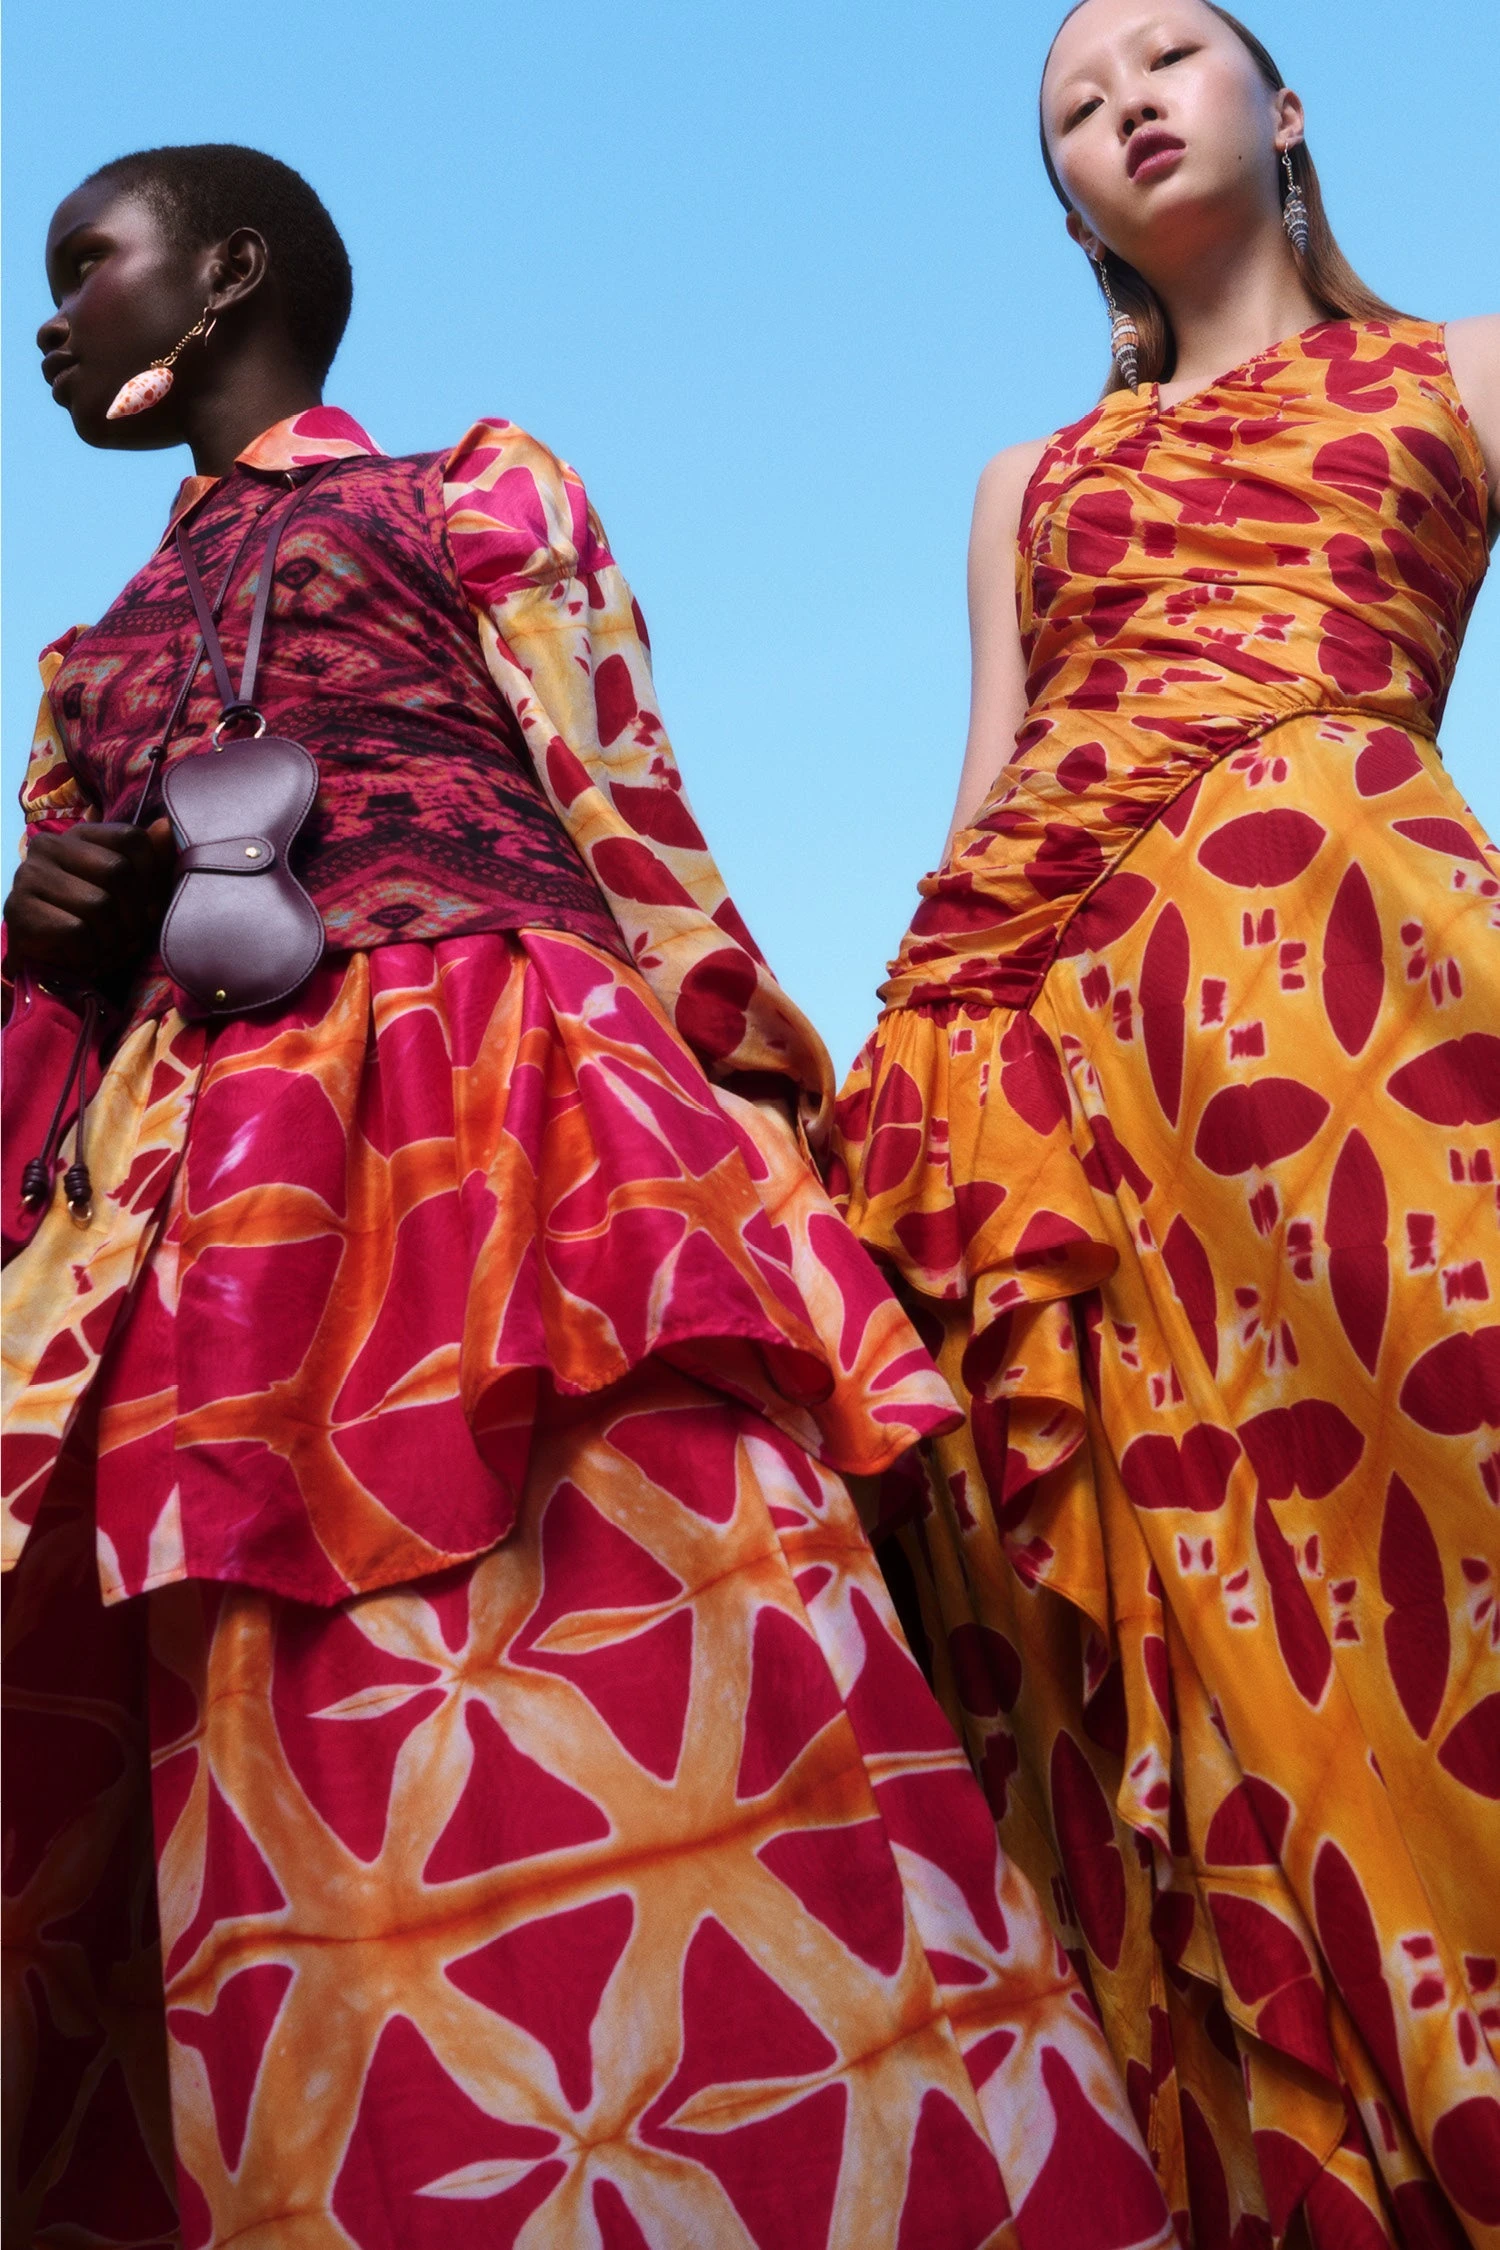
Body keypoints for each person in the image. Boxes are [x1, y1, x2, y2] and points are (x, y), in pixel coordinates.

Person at [0, 143, 1178, 2250]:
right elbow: (57, 1036)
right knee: (286, 1737)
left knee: (672, 1631)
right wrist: (50, 926)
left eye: (88, 262)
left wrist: (757, 1112)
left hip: (522, 1119)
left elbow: (626, 808)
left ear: (229, 272)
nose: (50, 315)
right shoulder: (88, 661)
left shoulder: (470, 494)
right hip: (211, 1204)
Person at [830, 3, 1500, 2242]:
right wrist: (899, 1117)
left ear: (1282, 109)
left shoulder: (1463, 368)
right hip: (1058, 1057)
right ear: (1067, 200)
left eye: (1165, 57)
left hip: (1361, 982)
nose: (1122, 101)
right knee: (1178, 1624)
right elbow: (986, 794)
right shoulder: (1028, 481)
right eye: (1072, 105)